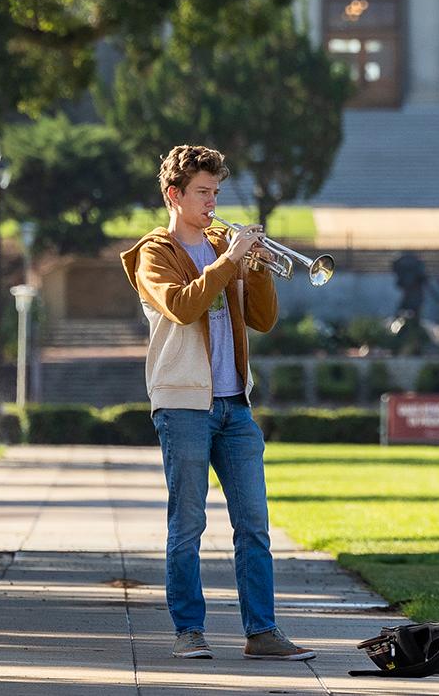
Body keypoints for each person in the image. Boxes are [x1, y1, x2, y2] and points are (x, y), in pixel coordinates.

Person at [119, 144, 315, 662]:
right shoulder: (153, 252)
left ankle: (263, 632)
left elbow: (263, 320)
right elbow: (183, 307)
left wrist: (257, 268)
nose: (211, 203)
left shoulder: (223, 247)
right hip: (182, 404)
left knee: (254, 524)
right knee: (187, 526)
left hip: (235, 405)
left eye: (216, 193)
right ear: (173, 194)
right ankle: (189, 630)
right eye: (202, 193)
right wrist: (229, 261)